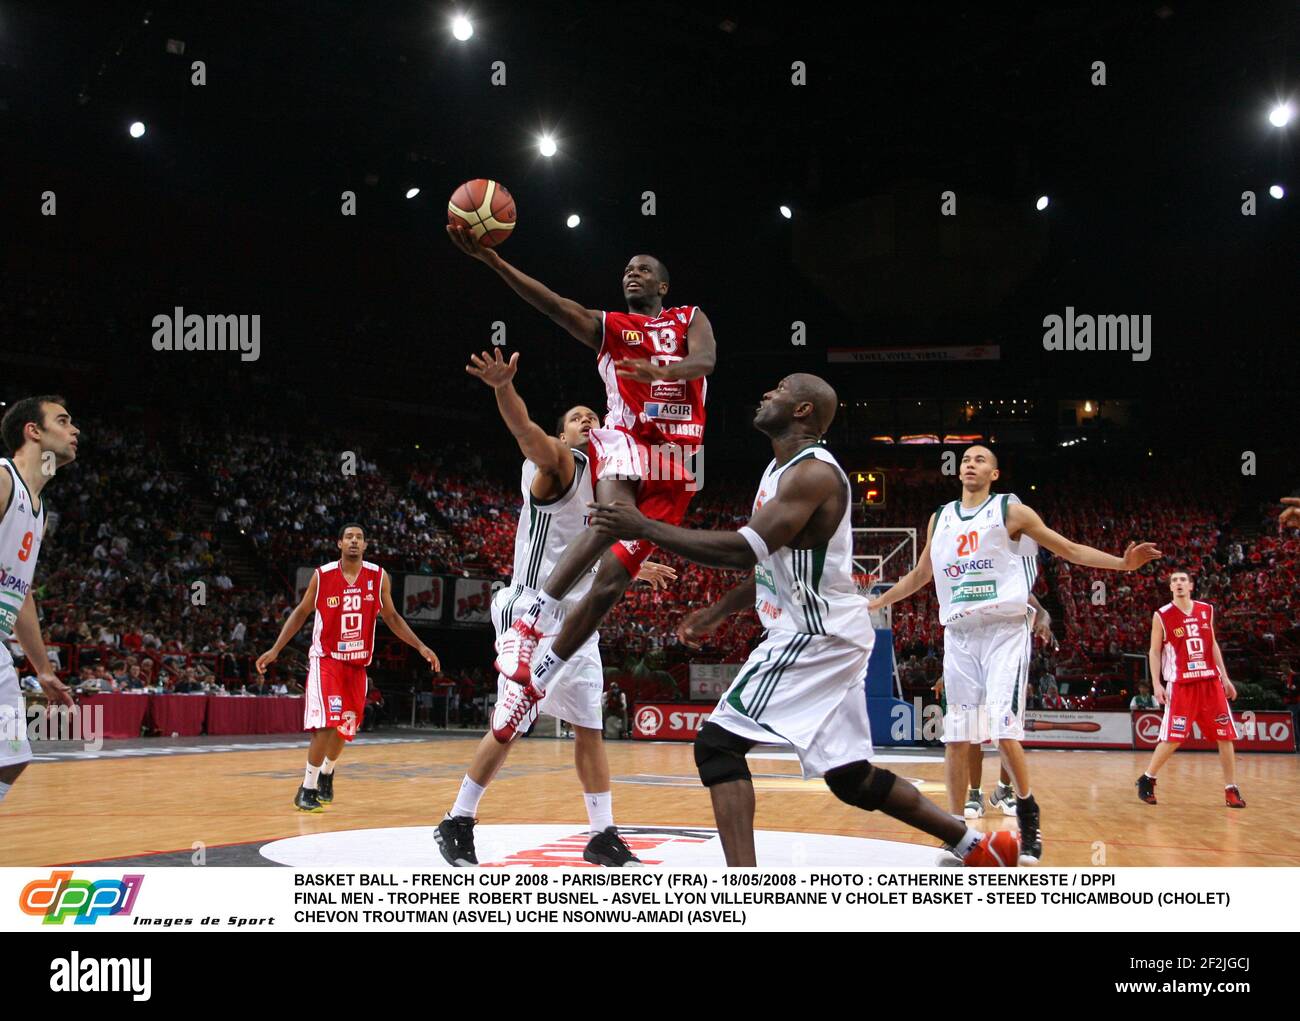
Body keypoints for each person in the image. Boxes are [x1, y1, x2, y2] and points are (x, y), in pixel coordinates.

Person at [590, 374, 1019, 867]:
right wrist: (719, 610)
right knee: (850, 776)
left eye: (779, 390)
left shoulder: (811, 474)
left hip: (815, 635)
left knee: (716, 748)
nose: (767, 393)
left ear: (803, 411)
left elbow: (742, 549)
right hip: (832, 632)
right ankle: (976, 847)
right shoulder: (777, 470)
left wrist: (643, 525)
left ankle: (743, 895)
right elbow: (770, 562)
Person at [446, 226, 716, 740]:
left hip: (677, 459)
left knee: (611, 581)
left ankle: (538, 677)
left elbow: (706, 361)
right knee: (610, 517)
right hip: (625, 439)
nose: (630, 273)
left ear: (663, 286)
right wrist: (494, 262)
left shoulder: (689, 318)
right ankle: (528, 621)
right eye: (625, 270)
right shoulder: (611, 328)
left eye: (642, 268)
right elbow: (552, 304)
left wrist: (665, 372)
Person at [434, 349, 674, 867]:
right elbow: (526, 432)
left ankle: (602, 833)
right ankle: (457, 819)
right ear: (563, 434)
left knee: (589, 724)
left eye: (594, 415)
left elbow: (589, 559)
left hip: (577, 620)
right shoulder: (560, 464)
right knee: (511, 721)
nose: (587, 420)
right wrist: (503, 388)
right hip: (530, 613)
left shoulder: (613, 486)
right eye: (575, 418)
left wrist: (632, 567)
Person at [869, 444, 1161, 864]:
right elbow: (919, 576)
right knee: (957, 736)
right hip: (960, 634)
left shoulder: (1010, 511)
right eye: (966, 459)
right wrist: (876, 602)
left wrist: (1121, 563)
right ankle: (955, 831)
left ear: (994, 474)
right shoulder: (941, 518)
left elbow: (1069, 549)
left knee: (1003, 730)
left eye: (980, 459)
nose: (970, 463)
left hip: (1004, 630)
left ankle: (1028, 814)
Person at [257, 524, 441, 812]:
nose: (354, 541)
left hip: (357, 665)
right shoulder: (323, 575)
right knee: (327, 723)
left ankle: (328, 774)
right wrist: (275, 649)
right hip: (327, 660)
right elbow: (301, 613)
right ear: (339, 543)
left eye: (359, 538)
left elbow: (392, 617)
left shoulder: (378, 577)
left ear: (365, 545)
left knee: (344, 729)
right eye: (349, 537)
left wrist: (421, 646)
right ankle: (306, 789)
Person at [0, 396, 78, 809]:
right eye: (63, 421)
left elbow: (21, 591)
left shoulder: (38, 512)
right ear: (33, 431)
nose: (75, 430)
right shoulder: (2, 480)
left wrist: (44, 671)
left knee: (13, 758)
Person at [935, 595, 1052, 823]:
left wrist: (1043, 621)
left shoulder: (1011, 578)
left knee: (1006, 730)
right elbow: (963, 638)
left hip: (1007, 658)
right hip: (973, 659)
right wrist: (944, 674)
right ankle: (975, 794)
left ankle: (1004, 790)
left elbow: (1041, 610)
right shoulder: (966, 584)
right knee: (970, 731)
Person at [1136, 569, 1245, 808]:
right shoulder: (1162, 615)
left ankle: (1231, 789)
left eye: (1183, 580)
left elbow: (1212, 643)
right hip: (1181, 684)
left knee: (1225, 735)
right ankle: (1147, 778)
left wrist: (1225, 677)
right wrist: (1156, 684)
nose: (1178, 583)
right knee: (1174, 738)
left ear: (1191, 585)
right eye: (1174, 580)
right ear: (1170, 587)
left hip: (1210, 682)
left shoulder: (1207, 610)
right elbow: (1154, 651)